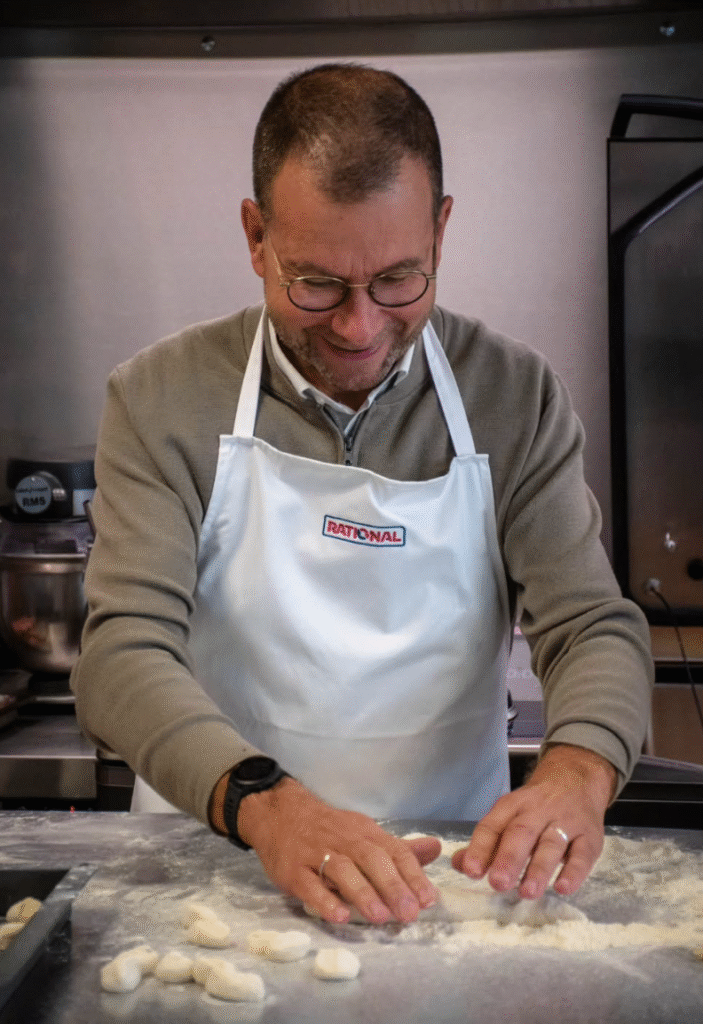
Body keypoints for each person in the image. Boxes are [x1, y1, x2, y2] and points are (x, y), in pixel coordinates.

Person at [71, 63, 653, 927]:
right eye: (315, 283)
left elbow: (591, 625)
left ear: (439, 233)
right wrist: (269, 807)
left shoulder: (512, 396)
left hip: (449, 888)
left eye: (397, 280)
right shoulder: (162, 397)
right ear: (256, 237)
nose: (359, 326)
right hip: (208, 881)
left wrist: (576, 769)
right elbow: (121, 656)